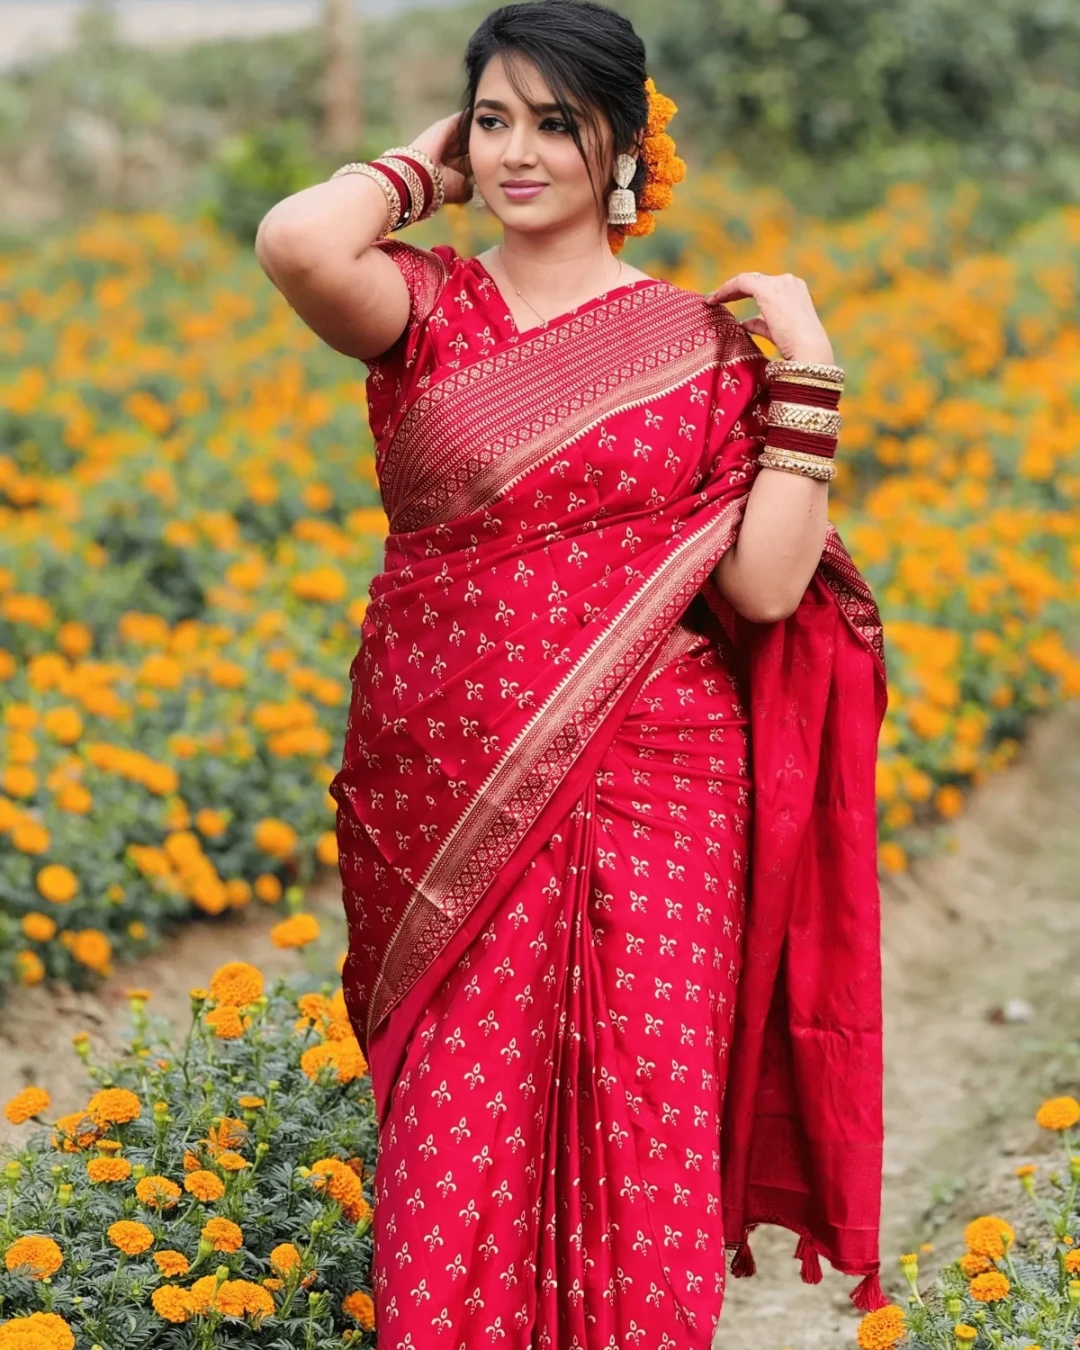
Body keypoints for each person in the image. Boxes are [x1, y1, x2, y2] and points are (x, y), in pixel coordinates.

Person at [254, 1, 889, 1344]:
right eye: (496, 120)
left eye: (557, 123)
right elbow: (300, 238)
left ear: (624, 151)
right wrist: (424, 167)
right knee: (452, 1135)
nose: (519, 151)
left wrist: (810, 374)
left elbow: (768, 587)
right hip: (448, 781)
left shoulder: (703, 349)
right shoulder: (425, 306)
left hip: (661, 784)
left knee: (641, 1119)